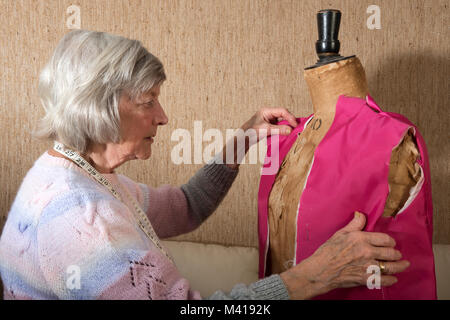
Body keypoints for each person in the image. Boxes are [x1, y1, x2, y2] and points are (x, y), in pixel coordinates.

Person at [0, 30, 409, 300]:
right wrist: (314, 275)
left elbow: (187, 205)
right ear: (98, 110)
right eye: (148, 102)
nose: (163, 117)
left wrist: (242, 140)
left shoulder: (83, 176)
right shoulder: (80, 220)